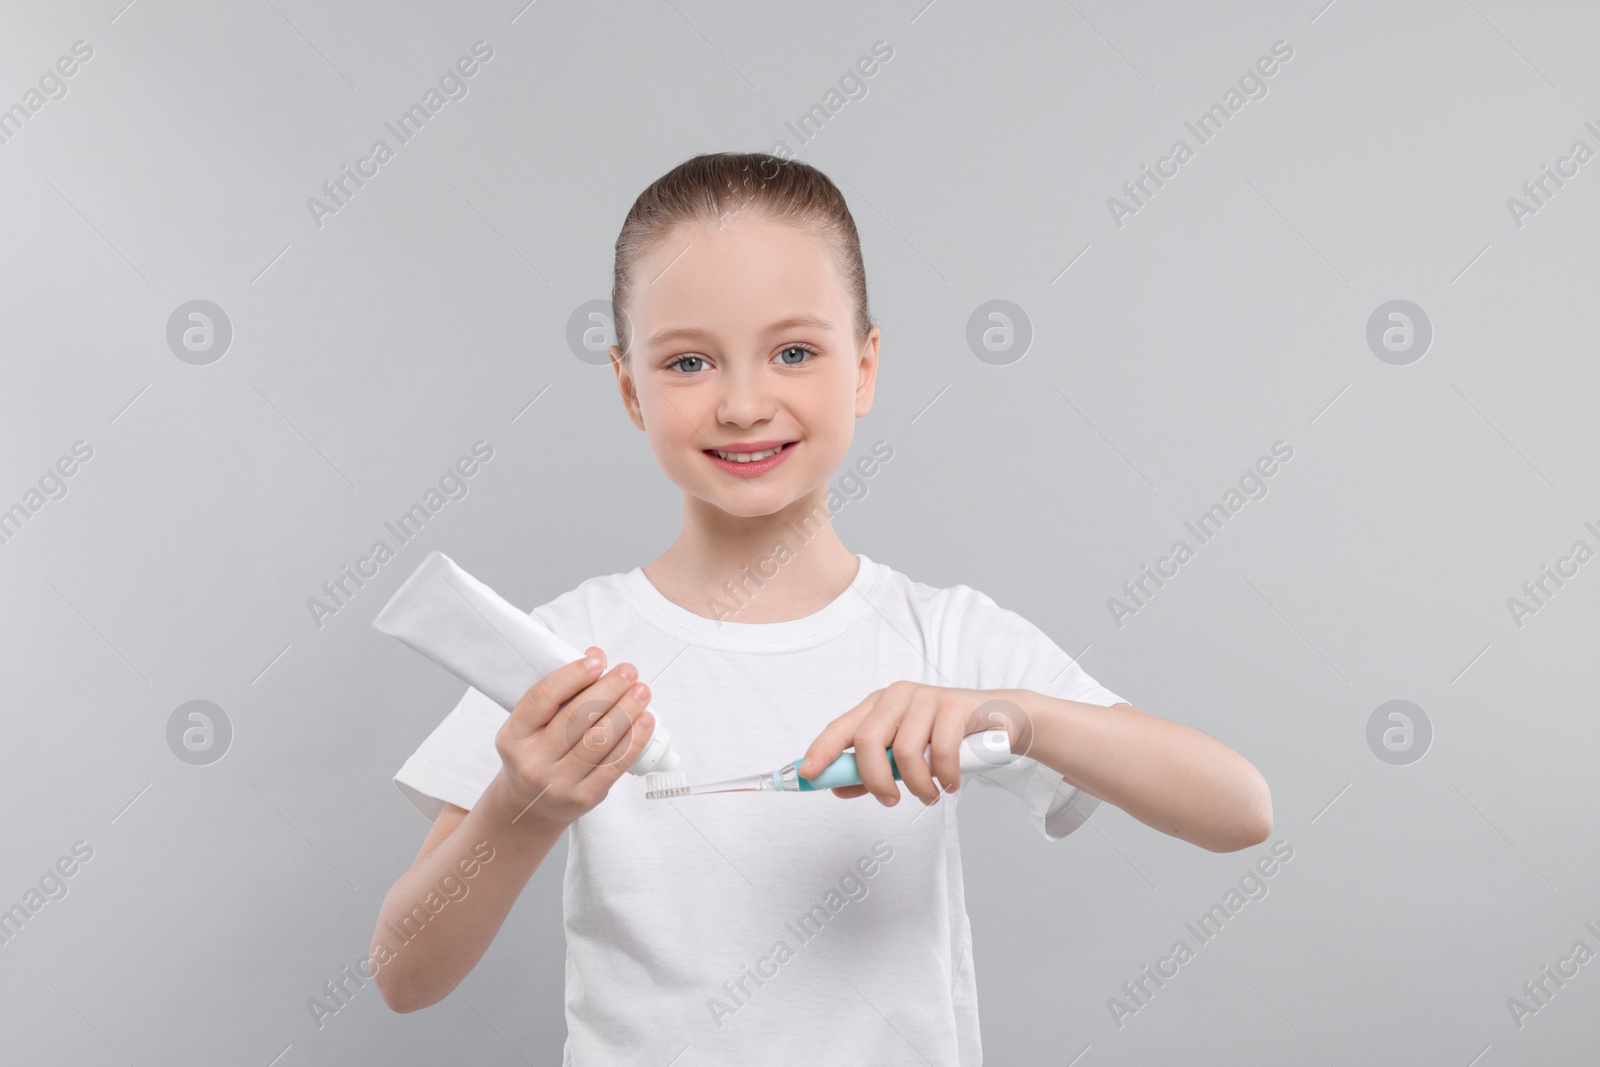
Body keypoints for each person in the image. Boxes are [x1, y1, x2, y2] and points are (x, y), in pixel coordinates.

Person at [371, 151, 1272, 1065]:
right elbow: (405, 976)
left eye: (794, 352)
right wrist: (520, 803)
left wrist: (1011, 715)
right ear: (629, 389)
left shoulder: (942, 637)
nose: (745, 402)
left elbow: (1239, 808)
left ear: (865, 367)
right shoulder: (565, 655)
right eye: (688, 362)